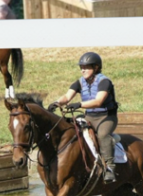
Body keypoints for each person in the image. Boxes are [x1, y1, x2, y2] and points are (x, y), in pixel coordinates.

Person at [49, 52, 119, 183]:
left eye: (86, 67)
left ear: (96, 67)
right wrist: (56, 103)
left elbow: (98, 102)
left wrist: (79, 104)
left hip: (106, 117)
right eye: (81, 67)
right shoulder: (80, 83)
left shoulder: (104, 82)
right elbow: (67, 97)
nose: (83, 70)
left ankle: (110, 168)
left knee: (103, 135)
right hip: (89, 116)